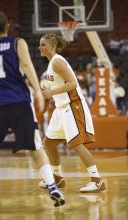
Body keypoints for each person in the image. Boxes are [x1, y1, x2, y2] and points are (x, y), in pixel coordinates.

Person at [0, 11, 65, 208]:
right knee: (35, 146)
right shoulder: (17, 42)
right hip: (18, 101)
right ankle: (52, 186)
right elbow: (27, 65)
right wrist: (37, 91)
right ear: (7, 26)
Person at [38, 33, 106, 193]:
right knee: (49, 142)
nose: (40, 47)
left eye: (43, 44)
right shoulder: (51, 64)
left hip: (72, 106)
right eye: (40, 44)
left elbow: (73, 84)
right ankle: (57, 178)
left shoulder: (57, 62)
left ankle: (97, 181)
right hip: (60, 108)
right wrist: (48, 97)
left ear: (52, 46)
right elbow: (55, 89)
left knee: (76, 144)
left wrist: (51, 92)